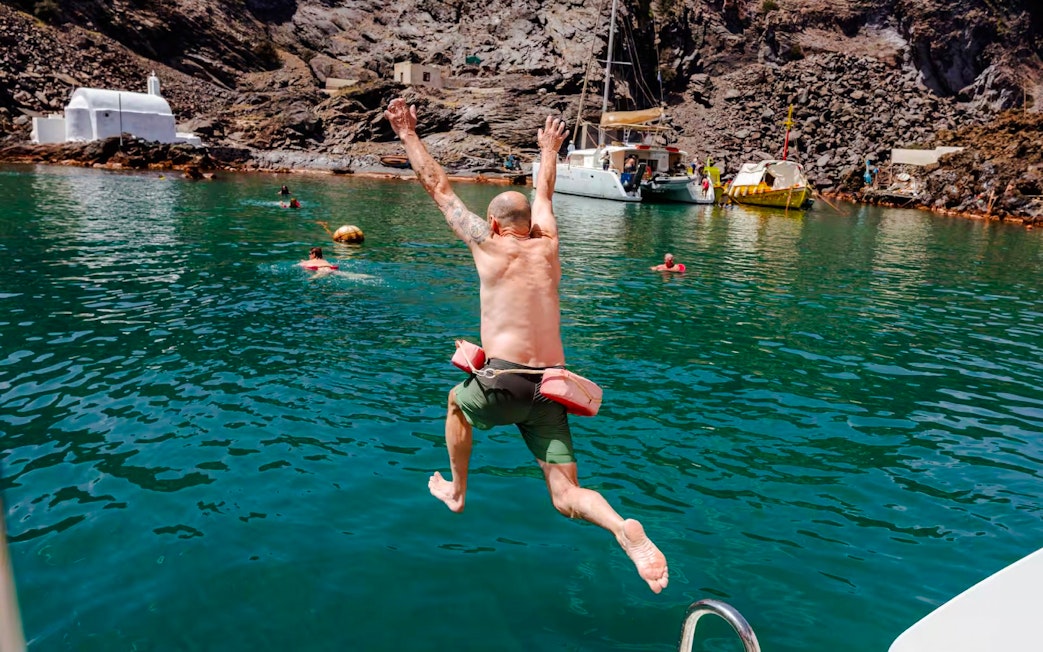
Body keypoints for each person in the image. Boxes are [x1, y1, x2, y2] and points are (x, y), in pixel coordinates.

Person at [384, 97, 669, 594]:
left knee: (455, 401)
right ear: (530, 227)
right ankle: (621, 527)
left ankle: (456, 491)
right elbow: (545, 196)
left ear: (494, 225)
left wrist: (408, 133)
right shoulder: (550, 246)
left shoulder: (486, 242)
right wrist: (549, 149)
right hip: (552, 388)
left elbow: (439, 188)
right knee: (566, 494)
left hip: (505, 381)